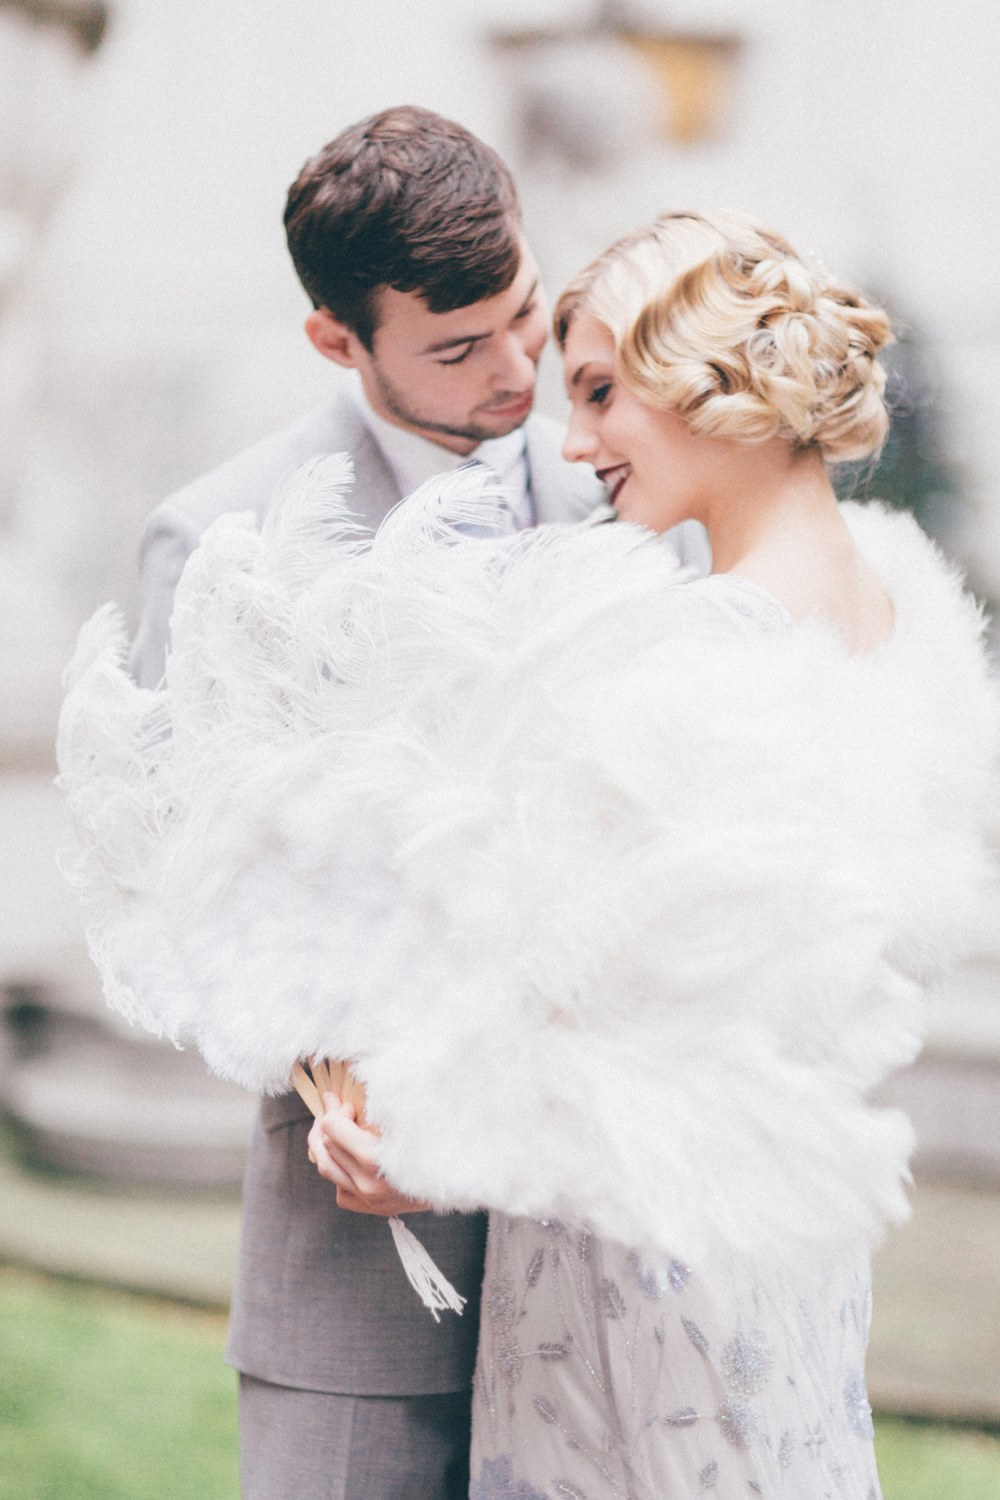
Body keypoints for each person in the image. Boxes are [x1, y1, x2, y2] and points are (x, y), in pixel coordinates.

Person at [297, 212, 995, 1498]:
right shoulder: (888, 615)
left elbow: (608, 1021)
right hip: (783, 1254)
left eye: (605, 392)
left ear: (717, 378)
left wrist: (432, 1142)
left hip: (635, 1274)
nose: (574, 442)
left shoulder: (695, 655)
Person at [128, 106, 629, 1500]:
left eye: (526, 312)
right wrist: (341, 1080)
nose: (521, 371)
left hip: (616, 1264)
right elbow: (190, 896)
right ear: (336, 342)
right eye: (461, 349)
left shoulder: (634, 489)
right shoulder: (224, 544)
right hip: (359, 1279)